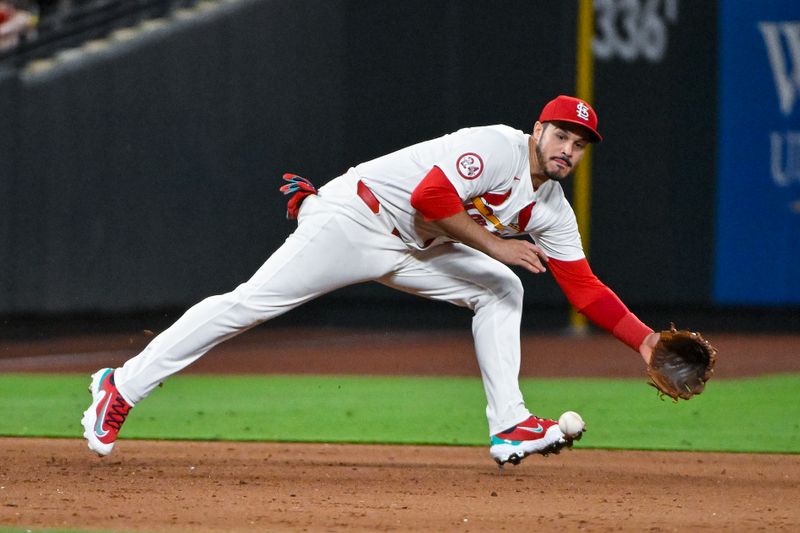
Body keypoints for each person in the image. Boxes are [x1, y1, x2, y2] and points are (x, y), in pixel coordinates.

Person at [82, 95, 661, 466]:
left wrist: (645, 341)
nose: (567, 148)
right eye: (560, 135)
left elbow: (584, 287)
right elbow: (429, 197)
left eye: (579, 144)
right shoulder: (496, 146)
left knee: (500, 289)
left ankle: (509, 424)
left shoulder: (554, 209)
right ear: (538, 130)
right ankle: (122, 386)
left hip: (416, 246)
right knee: (251, 305)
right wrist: (497, 245)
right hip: (357, 219)